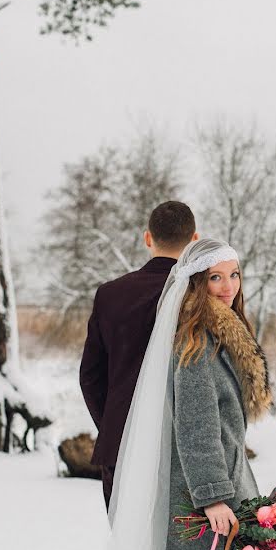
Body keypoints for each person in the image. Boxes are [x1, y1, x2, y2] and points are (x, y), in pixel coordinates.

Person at [96, 238, 276, 550]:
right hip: (204, 497)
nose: (229, 286)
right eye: (216, 277)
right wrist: (212, 498)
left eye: (234, 275)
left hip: (228, 483)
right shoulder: (195, 344)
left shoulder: (219, 335)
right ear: (196, 282)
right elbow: (196, 427)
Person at [79, 201, 198, 511]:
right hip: (184, 450)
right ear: (194, 240)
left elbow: (90, 376)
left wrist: (116, 423)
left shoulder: (111, 294)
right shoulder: (201, 295)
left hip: (120, 445)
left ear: (148, 238)